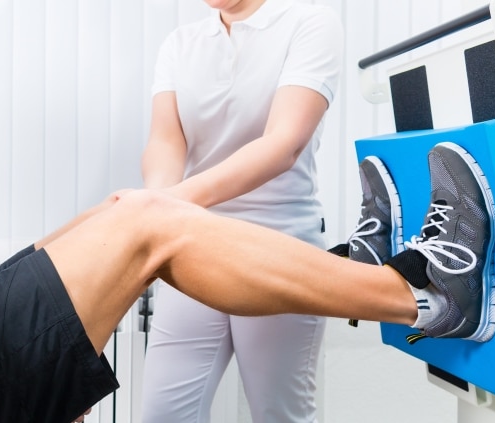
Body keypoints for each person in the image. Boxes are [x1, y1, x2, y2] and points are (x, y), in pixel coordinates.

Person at [0, 0, 495, 422]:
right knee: (151, 223)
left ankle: (383, 277)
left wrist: (112, 220)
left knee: (126, 209)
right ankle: (423, 292)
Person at [137, 0, 342, 421]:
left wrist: (171, 203)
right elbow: (165, 141)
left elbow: (283, 144)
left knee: (278, 412)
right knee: (163, 414)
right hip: (194, 246)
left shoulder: (309, 22)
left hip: (279, 246)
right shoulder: (181, 43)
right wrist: (157, 200)